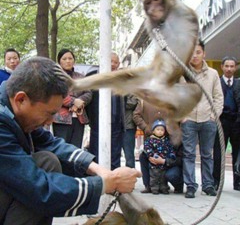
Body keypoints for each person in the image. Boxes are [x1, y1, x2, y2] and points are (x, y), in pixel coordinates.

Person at [0, 56, 141, 225]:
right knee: (41, 177)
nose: (50, 121)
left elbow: (50, 143)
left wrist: (99, 171)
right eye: (49, 113)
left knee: (47, 160)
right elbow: (39, 188)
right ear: (21, 99)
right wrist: (106, 184)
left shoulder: (13, 111)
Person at [180, 39, 224, 198]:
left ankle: (208, 185)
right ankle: (190, 186)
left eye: (198, 52)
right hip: (189, 120)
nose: (194, 56)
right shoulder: (183, 73)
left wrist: (214, 115)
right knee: (189, 154)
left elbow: (218, 97)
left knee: (207, 154)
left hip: (208, 120)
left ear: (204, 54)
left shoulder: (212, 74)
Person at [133, 100, 183, 194]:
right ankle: (149, 185)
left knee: (172, 171)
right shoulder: (144, 100)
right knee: (144, 157)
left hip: (170, 141)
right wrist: (145, 127)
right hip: (152, 140)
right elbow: (136, 115)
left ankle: (176, 185)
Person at [86, 52, 125, 170]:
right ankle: (99, 180)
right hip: (97, 123)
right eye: (110, 61)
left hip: (117, 123)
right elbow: (88, 97)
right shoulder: (93, 76)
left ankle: (115, 180)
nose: (113, 64)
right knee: (96, 152)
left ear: (118, 64)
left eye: (115, 62)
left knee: (115, 154)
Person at [52, 48, 92, 148]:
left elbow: (89, 93)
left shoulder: (81, 77)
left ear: (74, 60)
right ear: (59, 61)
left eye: (70, 58)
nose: (68, 61)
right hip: (61, 119)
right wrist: (74, 101)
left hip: (79, 118)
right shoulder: (55, 77)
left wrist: (80, 102)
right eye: (64, 59)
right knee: (62, 147)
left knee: (76, 148)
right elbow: (56, 94)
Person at [213, 56, 240, 191]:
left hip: (236, 123)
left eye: (232, 66)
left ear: (235, 68)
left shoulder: (238, 83)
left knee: (237, 152)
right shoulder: (217, 82)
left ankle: (237, 182)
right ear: (222, 67)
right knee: (218, 152)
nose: (229, 69)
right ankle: (216, 182)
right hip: (221, 121)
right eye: (227, 66)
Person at [144, 119, 176, 195]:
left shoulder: (166, 141)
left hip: (163, 163)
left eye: (162, 130)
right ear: (153, 131)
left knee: (163, 177)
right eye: (158, 129)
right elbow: (147, 148)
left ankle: (164, 188)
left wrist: (171, 154)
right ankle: (154, 188)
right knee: (154, 176)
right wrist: (151, 155)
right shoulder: (150, 140)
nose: (160, 131)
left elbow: (170, 149)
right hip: (154, 163)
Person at [122, 94, 139, 168]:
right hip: (114, 126)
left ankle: (131, 177)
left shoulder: (131, 89)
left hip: (128, 127)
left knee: (129, 156)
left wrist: (120, 100)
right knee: (113, 155)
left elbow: (133, 102)